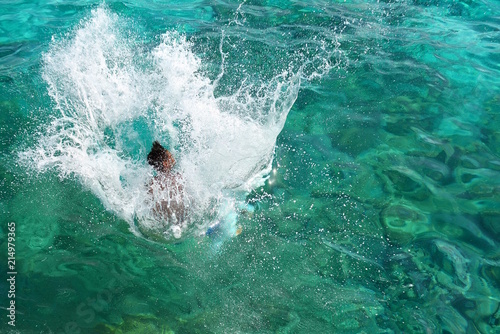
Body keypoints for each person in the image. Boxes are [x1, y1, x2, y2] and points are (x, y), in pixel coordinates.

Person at [147, 141, 185, 224]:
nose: (173, 157)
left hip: (161, 221)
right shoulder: (178, 178)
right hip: (180, 220)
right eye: (170, 156)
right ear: (165, 163)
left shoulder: (151, 183)